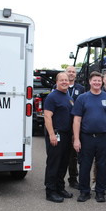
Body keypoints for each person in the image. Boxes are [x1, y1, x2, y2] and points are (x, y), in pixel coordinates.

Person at [72, 71, 106, 202]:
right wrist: (76, 139)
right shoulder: (82, 98)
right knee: (84, 166)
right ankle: (84, 192)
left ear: (102, 81)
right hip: (86, 138)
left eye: (99, 81)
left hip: (103, 137)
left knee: (103, 166)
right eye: (95, 80)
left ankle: (100, 192)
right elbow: (77, 120)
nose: (97, 83)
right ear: (90, 82)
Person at [43, 72, 75, 203]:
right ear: (56, 82)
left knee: (63, 163)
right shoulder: (52, 97)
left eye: (66, 80)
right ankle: (50, 191)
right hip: (56, 134)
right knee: (54, 163)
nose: (64, 82)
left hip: (67, 135)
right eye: (61, 80)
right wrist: (51, 134)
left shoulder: (68, 97)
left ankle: (60, 187)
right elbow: (47, 116)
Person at [65, 66, 85, 189]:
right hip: (63, 126)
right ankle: (58, 180)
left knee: (74, 155)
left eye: (73, 72)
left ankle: (73, 179)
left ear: (76, 75)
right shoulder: (58, 87)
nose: (71, 74)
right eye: (69, 72)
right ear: (65, 73)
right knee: (62, 155)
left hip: (76, 126)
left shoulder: (81, 89)